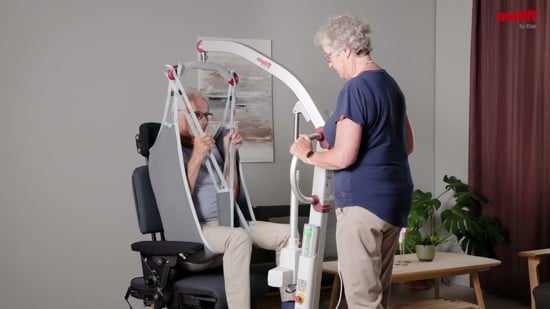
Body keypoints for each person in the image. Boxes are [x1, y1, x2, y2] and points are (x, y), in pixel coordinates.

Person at [290, 14, 414, 308]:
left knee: (362, 300)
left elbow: (345, 156)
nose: (330, 64)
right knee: (377, 295)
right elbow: (406, 144)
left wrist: (307, 155)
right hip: (393, 202)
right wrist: (327, 130)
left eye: (329, 56)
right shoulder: (390, 84)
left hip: (363, 204)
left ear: (345, 50)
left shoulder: (354, 88)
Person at [178, 87, 296, 309]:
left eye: (207, 115)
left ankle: (290, 305)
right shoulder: (173, 151)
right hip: (197, 233)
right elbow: (178, 203)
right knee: (238, 237)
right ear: (180, 114)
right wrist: (196, 157)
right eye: (197, 115)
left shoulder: (211, 148)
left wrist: (229, 154)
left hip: (226, 225)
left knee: (288, 234)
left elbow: (230, 196)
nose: (204, 121)